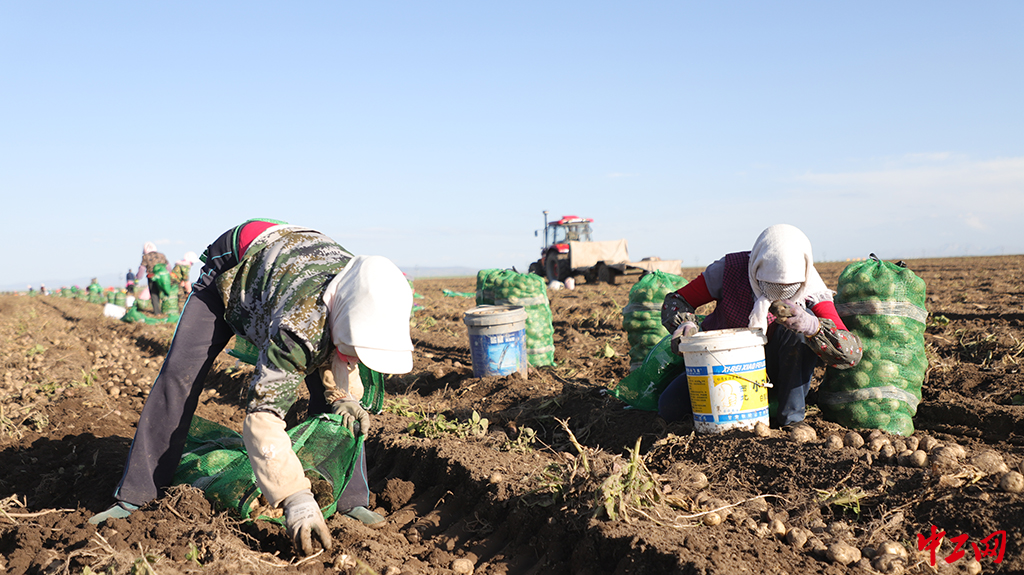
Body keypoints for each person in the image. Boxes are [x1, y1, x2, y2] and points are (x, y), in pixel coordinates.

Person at [89, 219, 414, 557]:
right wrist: (293, 496)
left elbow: (343, 346)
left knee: (338, 408)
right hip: (233, 266)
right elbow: (262, 418)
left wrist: (342, 396)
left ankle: (348, 499)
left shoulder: (369, 290)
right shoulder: (300, 326)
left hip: (289, 271)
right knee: (181, 374)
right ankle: (136, 495)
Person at [659, 224, 862, 428]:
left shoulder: (812, 287)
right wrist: (684, 322)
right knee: (671, 407)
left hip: (779, 371)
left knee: (799, 329)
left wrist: (813, 327)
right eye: (770, 286)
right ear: (755, 267)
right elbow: (678, 300)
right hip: (723, 364)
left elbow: (851, 352)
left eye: (788, 288)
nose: (778, 295)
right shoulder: (730, 269)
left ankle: (791, 419)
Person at [138, 243, 170, 316]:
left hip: (152, 277)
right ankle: (166, 310)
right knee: (165, 292)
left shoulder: (146, 256)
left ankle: (157, 312)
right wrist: (169, 275)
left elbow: (142, 268)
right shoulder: (161, 255)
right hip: (163, 277)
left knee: (154, 294)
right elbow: (168, 265)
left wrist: (138, 277)